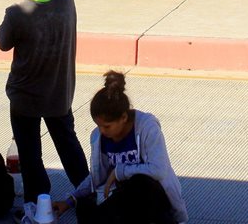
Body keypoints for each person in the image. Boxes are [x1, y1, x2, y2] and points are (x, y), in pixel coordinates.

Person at [0, 0, 90, 205]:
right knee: (68, 145)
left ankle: (38, 204)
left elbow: (2, 42)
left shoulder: (17, 12)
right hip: (59, 92)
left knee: (29, 153)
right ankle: (87, 192)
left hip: (25, 96)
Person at [54, 71, 187, 223]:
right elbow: (97, 177)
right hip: (122, 198)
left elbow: (159, 170)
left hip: (152, 198)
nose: (102, 131)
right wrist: (71, 200)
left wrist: (120, 171)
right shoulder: (99, 137)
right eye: (98, 126)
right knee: (84, 208)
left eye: (107, 126)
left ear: (123, 117)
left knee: (139, 182)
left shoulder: (147, 127)